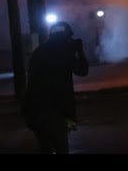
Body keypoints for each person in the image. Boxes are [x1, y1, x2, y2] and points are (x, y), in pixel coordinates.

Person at [21, 21, 89, 154]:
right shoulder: (64, 52)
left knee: (45, 148)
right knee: (61, 148)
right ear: (67, 37)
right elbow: (83, 71)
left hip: (34, 109)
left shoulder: (38, 51)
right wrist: (80, 51)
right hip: (55, 110)